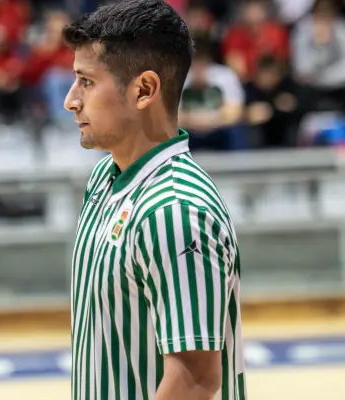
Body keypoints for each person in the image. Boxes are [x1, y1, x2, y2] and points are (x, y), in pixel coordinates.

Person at [62, 1, 246, 400]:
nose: (70, 100)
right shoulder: (104, 178)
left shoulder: (174, 210)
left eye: (86, 82)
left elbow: (196, 380)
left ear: (144, 90)